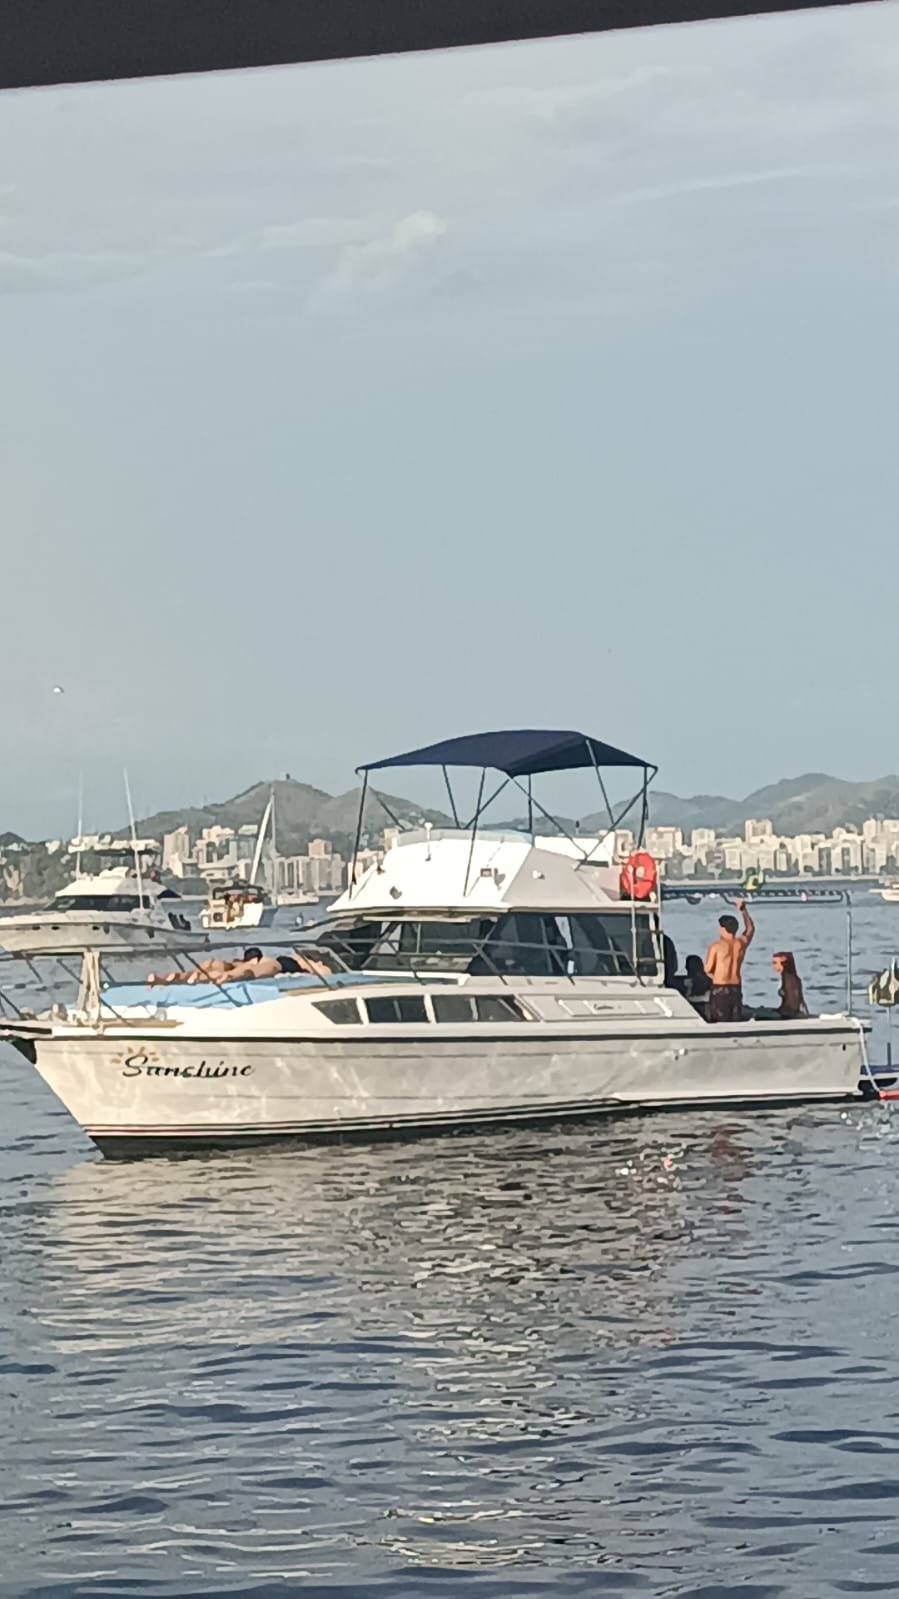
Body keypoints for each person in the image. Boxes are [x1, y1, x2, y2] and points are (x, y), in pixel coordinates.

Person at [703, 899, 754, 1023]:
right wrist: (743, 910)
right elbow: (750, 929)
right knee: (735, 1020)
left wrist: (713, 975)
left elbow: (708, 968)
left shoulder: (716, 946)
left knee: (719, 1021)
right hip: (735, 987)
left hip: (720, 987)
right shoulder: (740, 943)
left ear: (723, 928)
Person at [772, 951, 808, 1019]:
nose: (773, 966)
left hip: (790, 1016)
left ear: (784, 964)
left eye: (775, 963)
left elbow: (792, 1006)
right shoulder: (786, 978)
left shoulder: (790, 980)